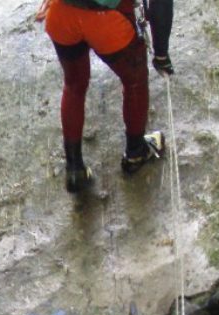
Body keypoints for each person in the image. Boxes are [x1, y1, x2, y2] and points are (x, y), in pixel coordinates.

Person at [36, 0, 174, 192]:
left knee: (74, 84)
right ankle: (135, 152)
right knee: (135, 80)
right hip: (106, 20)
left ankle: (74, 168)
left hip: (61, 14)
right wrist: (161, 55)